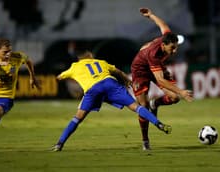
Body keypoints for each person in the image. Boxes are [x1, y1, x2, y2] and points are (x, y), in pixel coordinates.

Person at [51, 50, 172, 152]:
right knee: (136, 107)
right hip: (111, 84)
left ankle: (59, 144)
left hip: (93, 89)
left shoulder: (75, 66)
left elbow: (59, 77)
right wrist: (126, 80)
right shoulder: (101, 62)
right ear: (90, 56)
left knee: (78, 118)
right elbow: (118, 72)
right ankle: (158, 123)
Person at [131, 8, 193, 151]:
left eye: (176, 47)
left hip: (154, 67)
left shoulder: (167, 36)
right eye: (172, 48)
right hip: (140, 71)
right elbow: (161, 80)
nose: (175, 51)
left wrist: (151, 15)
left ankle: (156, 103)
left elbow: (162, 25)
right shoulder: (154, 54)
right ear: (163, 45)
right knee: (143, 107)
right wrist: (182, 91)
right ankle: (145, 141)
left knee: (174, 98)